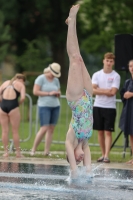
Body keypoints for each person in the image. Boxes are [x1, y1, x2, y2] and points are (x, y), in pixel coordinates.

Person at [65, 4, 93, 178]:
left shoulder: (72, 138)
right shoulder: (85, 142)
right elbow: (88, 162)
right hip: (88, 96)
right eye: (82, 160)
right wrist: (88, 172)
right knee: (80, 58)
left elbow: (70, 149)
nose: (81, 158)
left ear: (72, 158)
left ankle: (72, 19)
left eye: (78, 159)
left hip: (76, 98)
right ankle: (70, 23)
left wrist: (74, 171)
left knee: (74, 59)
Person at [92, 52, 120, 163]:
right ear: (103, 61)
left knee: (108, 131)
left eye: (111, 61)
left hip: (109, 107)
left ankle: (107, 155)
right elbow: (93, 90)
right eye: (107, 60)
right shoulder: (96, 75)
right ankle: (103, 154)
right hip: (98, 105)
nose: (108, 63)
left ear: (113, 63)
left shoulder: (115, 76)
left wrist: (100, 90)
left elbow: (113, 92)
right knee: (100, 131)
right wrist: (105, 91)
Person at [30, 63, 61, 156]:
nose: (53, 75)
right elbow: (35, 91)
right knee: (44, 128)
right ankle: (33, 149)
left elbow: (59, 90)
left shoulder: (56, 80)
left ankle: (46, 151)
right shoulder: (41, 78)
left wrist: (57, 93)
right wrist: (49, 93)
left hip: (55, 105)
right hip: (44, 105)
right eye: (53, 73)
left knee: (51, 129)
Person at [0, 73, 26, 157]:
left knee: (4, 131)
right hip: (13, 106)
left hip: (3, 107)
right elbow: (22, 98)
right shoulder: (21, 85)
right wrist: (18, 104)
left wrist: (2, 102)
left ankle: (6, 152)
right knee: (15, 131)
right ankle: (18, 153)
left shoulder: (5, 83)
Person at [119, 60, 133, 165]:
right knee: (131, 134)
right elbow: (123, 92)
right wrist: (125, 95)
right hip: (129, 110)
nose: (132, 68)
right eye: (131, 66)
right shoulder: (128, 82)